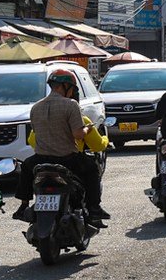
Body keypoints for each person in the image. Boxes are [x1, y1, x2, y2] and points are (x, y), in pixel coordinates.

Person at [28, 67, 107, 224]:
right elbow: (80, 135)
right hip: (67, 159)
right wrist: (87, 129)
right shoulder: (71, 105)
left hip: (41, 159)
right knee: (92, 170)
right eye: (72, 89)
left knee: (25, 169)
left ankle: (23, 204)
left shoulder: (35, 107)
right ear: (65, 86)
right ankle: (94, 208)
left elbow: (33, 139)